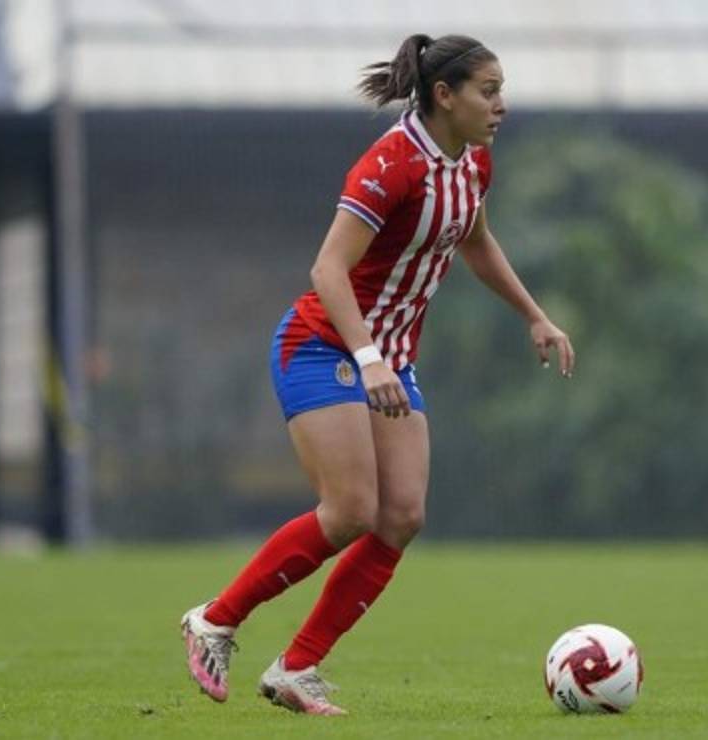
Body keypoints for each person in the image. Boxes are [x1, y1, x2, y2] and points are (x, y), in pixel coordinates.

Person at [180, 33, 575, 715]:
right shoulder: (392, 163)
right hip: (324, 346)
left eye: (502, 89)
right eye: (489, 90)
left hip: (387, 358)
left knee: (401, 516)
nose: (501, 104)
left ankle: (295, 669)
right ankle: (215, 619)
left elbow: (474, 240)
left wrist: (533, 315)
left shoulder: (472, 162)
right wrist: (367, 359)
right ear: (444, 96)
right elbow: (327, 271)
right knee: (352, 510)